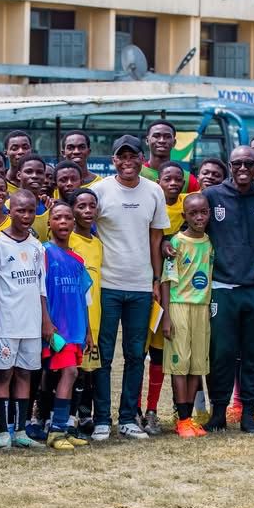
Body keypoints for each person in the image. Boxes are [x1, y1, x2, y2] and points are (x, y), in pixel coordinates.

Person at [90, 135, 169, 440]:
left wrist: (156, 280)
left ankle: (127, 418)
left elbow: (156, 238)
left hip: (141, 286)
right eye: (121, 157)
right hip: (107, 284)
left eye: (132, 156)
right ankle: (101, 419)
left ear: (141, 159)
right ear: (113, 161)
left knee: (136, 354)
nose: (127, 162)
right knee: (104, 355)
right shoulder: (101, 190)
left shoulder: (154, 191)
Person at [203, 145, 254, 432]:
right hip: (222, 287)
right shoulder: (213, 196)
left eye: (249, 163)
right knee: (221, 352)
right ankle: (218, 412)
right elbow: (192, 228)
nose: (243, 168)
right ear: (230, 166)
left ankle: (248, 413)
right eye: (237, 164)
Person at [0, 191, 49, 449]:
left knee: (25, 373)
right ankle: (3, 430)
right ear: (9, 210)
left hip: (31, 323)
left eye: (31, 211)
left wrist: (45, 320)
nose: (26, 216)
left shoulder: (37, 246)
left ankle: (21, 430)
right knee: (4, 374)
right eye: (20, 210)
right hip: (6, 322)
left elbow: (41, 287)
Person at [141, 161, 189, 433]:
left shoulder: (187, 205)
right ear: (158, 182)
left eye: (177, 179)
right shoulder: (150, 202)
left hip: (174, 291)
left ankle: (153, 410)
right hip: (144, 285)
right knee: (138, 353)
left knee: (161, 355)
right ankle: (133, 409)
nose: (172, 183)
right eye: (167, 179)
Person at [161, 193, 213, 439]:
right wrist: (166, 316)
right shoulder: (176, 242)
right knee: (179, 364)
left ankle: (189, 418)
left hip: (202, 308)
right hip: (179, 305)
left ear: (209, 213)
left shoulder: (210, 242)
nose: (199, 217)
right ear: (185, 216)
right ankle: (181, 420)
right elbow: (166, 280)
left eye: (203, 212)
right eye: (193, 213)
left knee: (196, 366)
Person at [42, 201, 93, 450]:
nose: (63, 222)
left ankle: (64, 428)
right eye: (58, 218)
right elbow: (40, 292)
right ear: (49, 223)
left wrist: (88, 331)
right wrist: (46, 323)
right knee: (68, 373)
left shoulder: (77, 259)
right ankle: (55, 431)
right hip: (56, 328)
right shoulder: (44, 253)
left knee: (72, 374)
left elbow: (84, 299)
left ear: (74, 223)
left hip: (76, 328)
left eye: (68, 218)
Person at [68, 189, 102, 435]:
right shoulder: (68, 240)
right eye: (81, 206)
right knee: (72, 368)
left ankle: (84, 414)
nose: (88, 211)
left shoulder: (98, 243)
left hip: (95, 313)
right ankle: (66, 416)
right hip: (73, 315)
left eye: (92, 206)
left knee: (89, 368)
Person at [139, 120, 200, 192]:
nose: (162, 141)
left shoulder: (187, 179)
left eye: (167, 137)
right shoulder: (137, 173)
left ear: (174, 142)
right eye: (156, 136)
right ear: (147, 141)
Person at [17, 154, 52, 240]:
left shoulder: (50, 207)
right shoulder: (7, 207)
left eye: (39, 172)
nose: (34, 176)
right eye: (29, 172)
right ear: (19, 175)